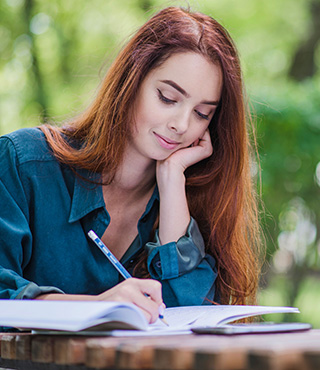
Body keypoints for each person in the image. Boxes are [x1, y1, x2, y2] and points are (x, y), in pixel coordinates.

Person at [0, 7, 261, 326]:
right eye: (167, 98)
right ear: (131, 81)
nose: (181, 124)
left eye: (202, 114)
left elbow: (193, 322)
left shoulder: (192, 195)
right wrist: (94, 307)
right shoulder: (23, 163)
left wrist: (172, 187)